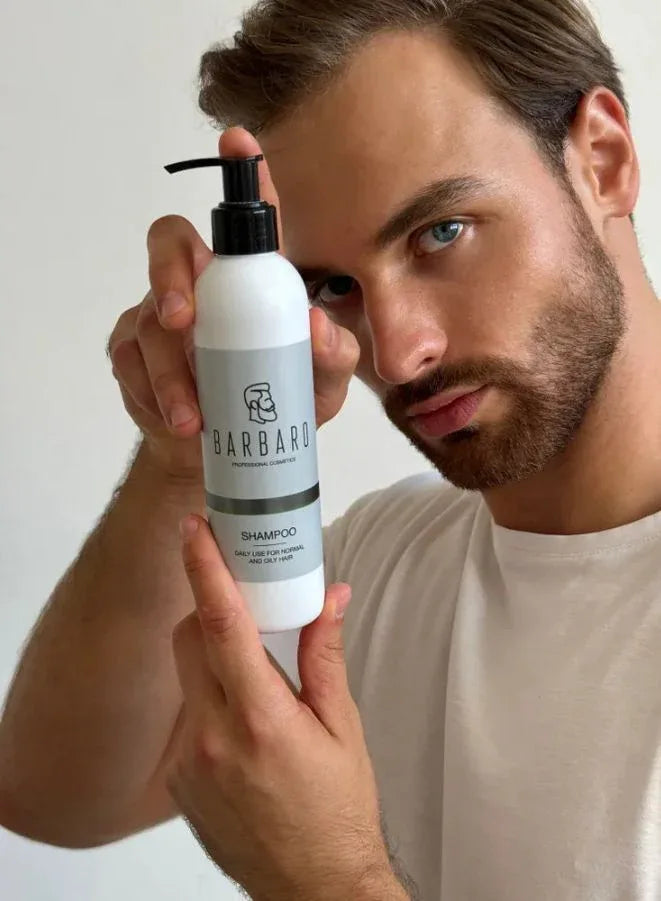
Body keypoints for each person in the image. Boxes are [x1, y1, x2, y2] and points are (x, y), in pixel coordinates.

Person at [1, 0, 659, 897]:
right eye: (332, 286)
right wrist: (185, 450)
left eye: (440, 232)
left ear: (603, 161)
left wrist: (328, 878)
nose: (396, 351)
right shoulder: (379, 560)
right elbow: (56, 797)